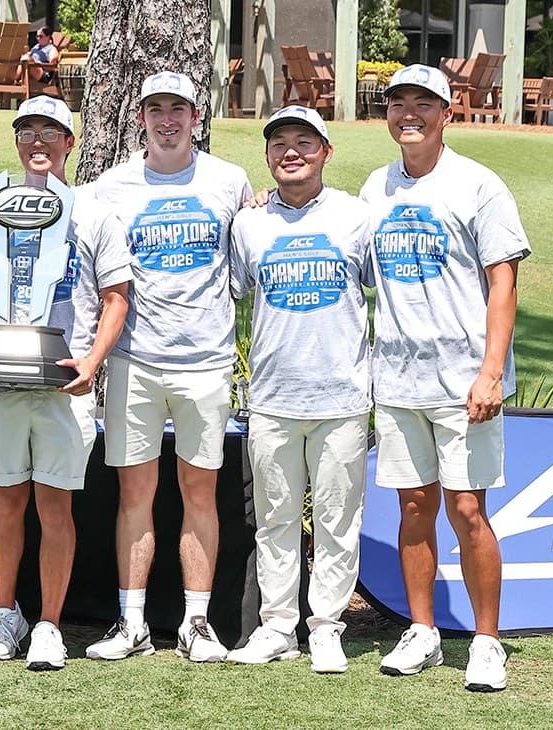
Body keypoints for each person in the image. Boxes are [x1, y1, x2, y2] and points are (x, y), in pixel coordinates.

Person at [361, 65, 529, 692]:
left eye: (423, 104)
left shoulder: (479, 186)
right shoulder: (375, 188)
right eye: (398, 103)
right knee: (412, 507)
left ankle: (487, 641)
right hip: (399, 377)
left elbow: (503, 283)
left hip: (465, 383)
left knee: (467, 509)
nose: (410, 114)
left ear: (447, 112)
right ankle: (423, 631)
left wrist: (491, 373)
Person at [79, 71, 253, 664]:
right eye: (156, 108)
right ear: (140, 118)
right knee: (135, 494)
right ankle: (131, 624)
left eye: (178, 107)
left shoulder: (229, 181)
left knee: (199, 491)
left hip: (205, 361)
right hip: (134, 359)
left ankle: (197, 623)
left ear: (196, 115)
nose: (167, 119)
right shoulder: (111, 186)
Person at [0, 95, 132, 671]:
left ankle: (50, 624)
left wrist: (92, 363)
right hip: (5, 384)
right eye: (26, 131)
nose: (38, 141)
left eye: (50, 132)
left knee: (54, 505)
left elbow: (115, 299)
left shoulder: (94, 214)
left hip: (63, 384)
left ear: (70, 143)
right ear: (15, 142)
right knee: (7, 500)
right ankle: (7, 612)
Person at [224, 106, 374, 675]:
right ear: (267, 156)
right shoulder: (249, 224)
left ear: (326, 153)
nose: (291, 152)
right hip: (271, 396)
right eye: (279, 142)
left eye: (304, 142)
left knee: (337, 519)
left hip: (340, 395)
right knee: (276, 520)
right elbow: (235, 290)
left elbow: (379, 289)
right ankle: (277, 625)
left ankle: (327, 627)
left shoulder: (357, 217)